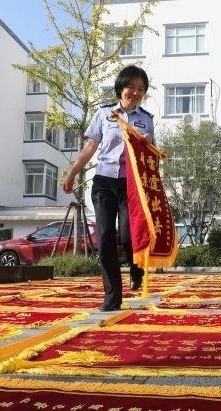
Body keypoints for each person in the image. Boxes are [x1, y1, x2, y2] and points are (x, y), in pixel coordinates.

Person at [62, 65, 155, 312]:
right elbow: (90, 148)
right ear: (120, 88)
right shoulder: (104, 114)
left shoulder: (146, 120)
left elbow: (152, 157)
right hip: (104, 182)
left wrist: (147, 144)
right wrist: (72, 173)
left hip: (131, 185)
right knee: (104, 239)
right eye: (131, 87)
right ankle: (112, 296)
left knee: (128, 236)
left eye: (141, 89)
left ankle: (136, 267)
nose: (135, 92)